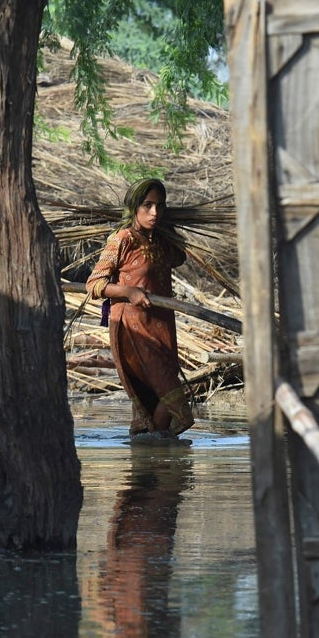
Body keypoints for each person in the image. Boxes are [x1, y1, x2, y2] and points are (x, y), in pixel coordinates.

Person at [86, 178, 194, 441]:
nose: (154, 212)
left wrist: (168, 229)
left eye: (160, 206)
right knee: (170, 395)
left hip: (162, 327)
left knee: (155, 395)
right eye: (147, 205)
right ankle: (156, 449)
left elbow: (179, 257)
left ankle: (149, 453)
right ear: (134, 206)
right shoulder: (122, 240)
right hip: (134, 329)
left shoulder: (161, 242)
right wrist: (129, 292)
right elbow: (94, 284)